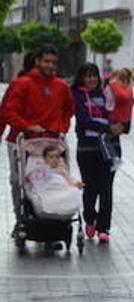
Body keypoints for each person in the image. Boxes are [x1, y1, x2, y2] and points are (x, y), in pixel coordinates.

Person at [5, 46, 73, 234]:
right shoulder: (23, 84)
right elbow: (9, 111)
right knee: (19, 180)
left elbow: (69, 108)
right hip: (22, 141)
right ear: (37, 62)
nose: (50, 65)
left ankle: (52, 220)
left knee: (53, 179)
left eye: (53, 62)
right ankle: (21, 218)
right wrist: (27, 126)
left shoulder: (61, 86)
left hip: (51, 142)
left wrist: (62, 127)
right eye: (46, 61)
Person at [70, 63, 118, 243]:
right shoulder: (77, 95)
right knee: (90, 187)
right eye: (87, 76)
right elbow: (83, 120)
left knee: (106, 189)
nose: (91, 79)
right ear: (81, 78)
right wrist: (106, 126)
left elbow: (113, 112)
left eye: (94, 76)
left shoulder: (105, 93)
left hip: (106, 147)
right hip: (87, 148)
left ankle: (104, 228)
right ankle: (90, 218)